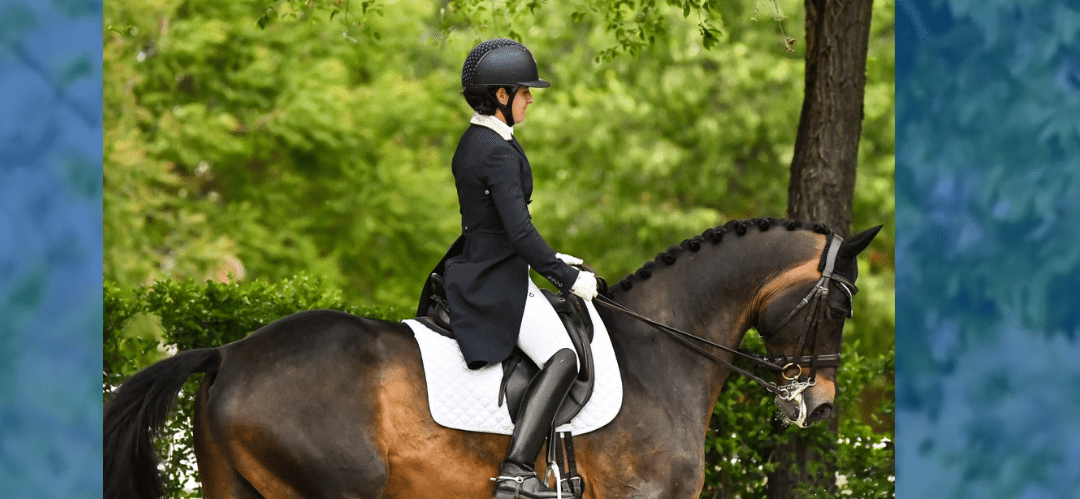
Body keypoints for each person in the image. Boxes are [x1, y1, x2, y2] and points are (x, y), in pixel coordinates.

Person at [421, 38, 599, 499]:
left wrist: (554, 257)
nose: (531, 98)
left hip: (482, 258)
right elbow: (518, 234)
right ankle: (518, 471)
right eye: (524, 91)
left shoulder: (479, 139)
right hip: (495, 276)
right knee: (565, 358)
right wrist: (568, 279)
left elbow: (503, 226)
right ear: (501, 95)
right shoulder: (496, 151)